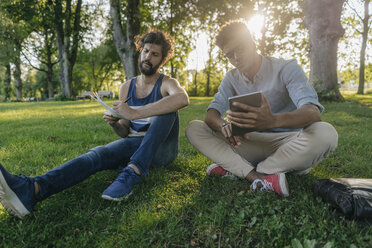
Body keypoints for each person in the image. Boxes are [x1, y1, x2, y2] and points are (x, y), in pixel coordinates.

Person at [0, 30, 189, 218]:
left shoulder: (167, 83)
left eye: (154, 54)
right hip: (132, 145)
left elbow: (182, 98)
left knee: (169, 107)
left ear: (162, 60)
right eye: (145, 51)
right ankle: (32, 189)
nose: (148, 57)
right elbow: (125, 131)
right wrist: (115, 123)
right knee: (98, 153)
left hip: (161, 150)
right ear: (140, 52)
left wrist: (135, 112)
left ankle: (134, 171)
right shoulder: (127, 87)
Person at [185, 21, 338, 197]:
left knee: (326, 133)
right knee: (194, 128)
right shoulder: (231, 78)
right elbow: (211, 114)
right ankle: (254, 175)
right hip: (248, 141)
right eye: (229, 55)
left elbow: (312, 112)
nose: (236, 57)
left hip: (288, 143)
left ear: (252, 42)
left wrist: (273, 120)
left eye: (240, 48)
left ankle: (243, 168)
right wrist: (223, 125)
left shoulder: (286, 68)